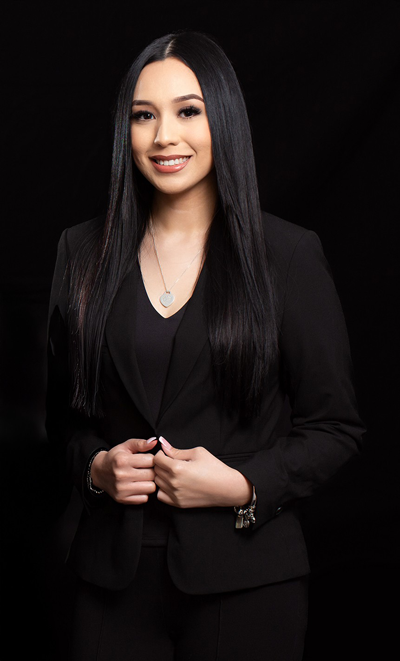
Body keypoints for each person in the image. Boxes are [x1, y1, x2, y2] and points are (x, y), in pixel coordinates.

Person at [46, 31, 365, 661]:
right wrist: (96, 468)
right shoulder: (81, 253)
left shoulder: (288, 256)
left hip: (249, 581)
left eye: (188, 111)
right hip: (110, 582)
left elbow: (336, 428)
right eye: (144, 116)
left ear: (223, 119)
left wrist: (243, 484)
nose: (164, 136)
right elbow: (60, 423)